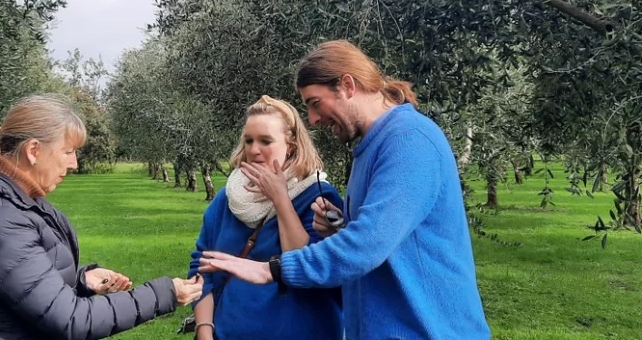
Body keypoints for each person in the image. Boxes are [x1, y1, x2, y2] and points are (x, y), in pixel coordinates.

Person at [199, 41, 491, 340]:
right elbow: (384, 241)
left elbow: (367, 244)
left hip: (427, 330)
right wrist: (337, 229)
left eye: (315, 103)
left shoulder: (409, 140)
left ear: (347, 85)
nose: (312, 119)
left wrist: (269, 270)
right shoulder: (370, 148)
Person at [0, 94, 203, 340]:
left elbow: (27, 290)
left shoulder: (18, 204)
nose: (74, 164)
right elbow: (72, 320)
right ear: (33, 150)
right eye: (68, 152)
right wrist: (164, 293)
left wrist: (82, 281)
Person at [187, 95, 343, 340]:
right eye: (248, 140)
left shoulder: (318, 197)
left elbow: (307, 267)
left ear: (290, 146)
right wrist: (204, 330)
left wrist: (280, 198)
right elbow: (202, 265)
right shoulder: (228, 198)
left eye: (265, 141)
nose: (253, 150)